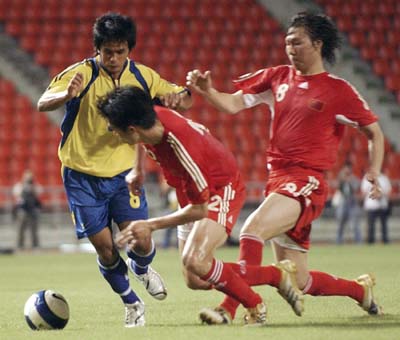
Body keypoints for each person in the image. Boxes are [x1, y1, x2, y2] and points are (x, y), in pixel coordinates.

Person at [186, 11, 384, 324]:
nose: (289, 48)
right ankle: (360, 291)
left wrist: (373, 170)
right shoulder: (277, 77)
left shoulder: (338, 90)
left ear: (317, 44)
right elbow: (234, 104)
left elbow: (374, 131)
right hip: (278, 181)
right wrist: (208, 91)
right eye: (287, 42)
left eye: (297, 42)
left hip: (307, 181)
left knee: (252, 230)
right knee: (302, 282)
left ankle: (233, 308)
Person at [97, 85, 305, 326]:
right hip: (190, 189)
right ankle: (275, 274)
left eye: (114, 128)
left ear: (131, 129)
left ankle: (255, 305)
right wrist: (138, 169)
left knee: (196, 260)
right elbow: (142, 138)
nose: (112, 131)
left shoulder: (182, 148)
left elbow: (200, 209)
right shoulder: (149, 118)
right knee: (194, 279)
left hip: (219, 187)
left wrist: (150, 225)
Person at [37, 12, 192, 327]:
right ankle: (132, 303)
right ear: (98, 49)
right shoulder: (80, 73)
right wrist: (66, 95)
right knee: (106, 248)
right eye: (108, 51)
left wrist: (183, 96)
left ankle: (141, 268)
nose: (114, 58)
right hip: (81, 177)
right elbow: (43, 102)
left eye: (120, 51)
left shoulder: (143, 76)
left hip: (123, 176)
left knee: (143, 242)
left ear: (129, 50)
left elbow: (181, 98)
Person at [12, 170, 42, 249]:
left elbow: (39, 193)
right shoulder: (19, 186)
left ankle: (35, 246)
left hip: (32, 210)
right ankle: (19, 245)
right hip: (23, 210)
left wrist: (32, 188)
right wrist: (24, 187)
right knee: (20, 229)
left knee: (34, 230)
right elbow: (16, 194)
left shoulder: (35, 186)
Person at [333, 163, 362, 244]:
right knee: (340, 223)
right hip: (342, 202)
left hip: (352, 202)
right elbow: (337, 187)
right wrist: (342, 179)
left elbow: (356, 188)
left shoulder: (353, 178)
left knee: (355, 223)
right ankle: (339, 241)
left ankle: (358, 241)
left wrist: (350, 181)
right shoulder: (341, 178)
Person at [361, 171, 392, 244]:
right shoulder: (368, 177)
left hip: (382, 205)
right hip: (371, 205)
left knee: (384, 226)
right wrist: (373, 190)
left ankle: (385, 241)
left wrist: (379, 192)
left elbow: (388, 191)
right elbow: (363, 191)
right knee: (371, 226)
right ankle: (370, 242)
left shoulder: (384, 178)